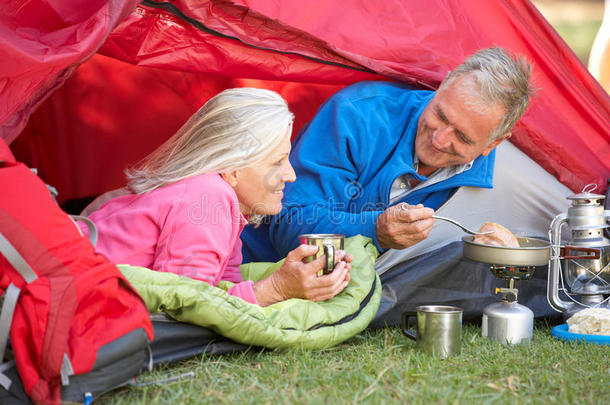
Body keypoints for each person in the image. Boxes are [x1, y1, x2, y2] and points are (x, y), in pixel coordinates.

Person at [241, 47, 534, 262]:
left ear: (492, 145)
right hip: (259, 268)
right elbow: (290, 229)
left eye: (462, 136)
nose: (439, 139)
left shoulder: (504, 182)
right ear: (441, 87)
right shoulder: (356, 115)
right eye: (440, 115)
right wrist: (375, 230)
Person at [82, 88, 352, 306]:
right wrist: (277, 289)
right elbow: (185, 303)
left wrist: (297, 283)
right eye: (277, 161)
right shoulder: (207, 195)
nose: (291, 175)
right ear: (234, 169)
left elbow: (223, 290)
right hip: (66, 287)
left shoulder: (227, 204)